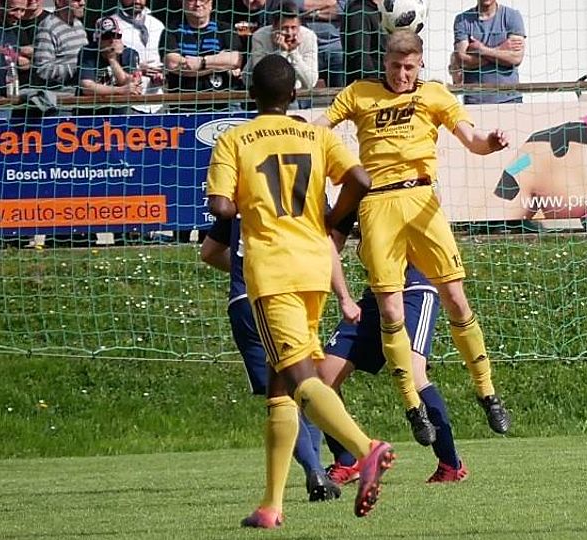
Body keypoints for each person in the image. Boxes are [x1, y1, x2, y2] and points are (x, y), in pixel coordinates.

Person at [206, 54, 392, 528]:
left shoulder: (234, 139)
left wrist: (243, 200)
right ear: (294, 95)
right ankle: (271, 505)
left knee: (300, 379)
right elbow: (361, 180)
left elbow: (222, 208)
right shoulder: (317, 135)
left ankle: (365, 448)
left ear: (251, 94)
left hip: (272, 270)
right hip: (314, 265)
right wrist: (333, 219)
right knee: (280, 388)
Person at [314, 30, 511, 447]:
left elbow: (471, 139)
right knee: (390, 310)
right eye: (394, 66)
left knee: (455, 297)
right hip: (377, 204)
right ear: (384, 62)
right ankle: (411, 405)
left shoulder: (434, 94)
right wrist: (291, 131)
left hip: (421, 198)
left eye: (409, 67)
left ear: (420, 64)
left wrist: (490, 144)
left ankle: (487, 391)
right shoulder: (359, 93)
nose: (401, 75)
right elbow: (320, 127)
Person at [200, 216, 341, 503]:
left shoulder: (241, 200)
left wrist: (242, 268)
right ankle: (330, 464)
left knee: (280, 397)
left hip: (245, 301)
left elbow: (209, 252)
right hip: (288, 297)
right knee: (304, 385)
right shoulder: (299, 198)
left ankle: (314, 471)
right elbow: (328, 241)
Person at [319, 214, 469, 484]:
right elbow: (333, 238)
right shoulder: (355, 193)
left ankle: (450, 464)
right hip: (377, 293)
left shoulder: (410, 191)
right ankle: (347, 461)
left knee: (413, 373)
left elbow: (430, 202)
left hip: (414, 288)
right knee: (322, 378)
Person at [160, 0, 243, 112]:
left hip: (220, 105)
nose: (198, 4)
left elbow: (235, 60)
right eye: (192, 0)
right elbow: (172, 64)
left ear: (211, 4)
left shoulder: (225, 29)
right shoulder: (171, 30)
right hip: (182, 106)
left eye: (203, 0)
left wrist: (201, 62)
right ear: (183, 3)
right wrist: (218, 63)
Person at [449, 0, 525, 104]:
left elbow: (516, 58)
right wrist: (501, 50)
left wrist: (481, 50)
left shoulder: (512, 16)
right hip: (475, 101)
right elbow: (462, 60)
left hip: (510, 99)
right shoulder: (462, 20)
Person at [245, 2, 319, 94]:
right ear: (274, 26)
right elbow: (263, 80)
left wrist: (293, 52)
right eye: (285, 28)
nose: (289, 33)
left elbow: (311, 82)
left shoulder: (309, 36)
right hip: (265, 93)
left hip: (299, 92)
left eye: (293, 27)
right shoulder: (259, 37)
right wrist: (282, 52)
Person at [109, 0, 166, 114]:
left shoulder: (157, 25)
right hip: (127, 104)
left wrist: (161, 76)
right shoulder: (110, 25)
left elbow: (163, 60)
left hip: (157, 102)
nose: (137, 1)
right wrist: (137, 68)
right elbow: (104, 62)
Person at [77, 16, 142, 115]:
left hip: (119, 111)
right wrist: (120, 90)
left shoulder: (130, 53)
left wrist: (112, 60)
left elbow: (131, 83)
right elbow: (87, 87)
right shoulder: (87, 52)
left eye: (116, 36)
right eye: (106, 37)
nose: (112, 40)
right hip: (90, 111)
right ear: (98, 40)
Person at [33, 0, 87, 92]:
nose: (82, 3)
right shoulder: (48, 27)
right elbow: (42, 70)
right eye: (76, 0)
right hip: (63, 94)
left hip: (82, 88)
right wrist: (77, 69)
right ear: (59, 2)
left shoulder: (78, 24)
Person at [341, 0, 383, 83]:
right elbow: (360, 57)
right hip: (371, 84)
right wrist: (374, 82)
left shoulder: (384, 9)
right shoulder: (359, 12)